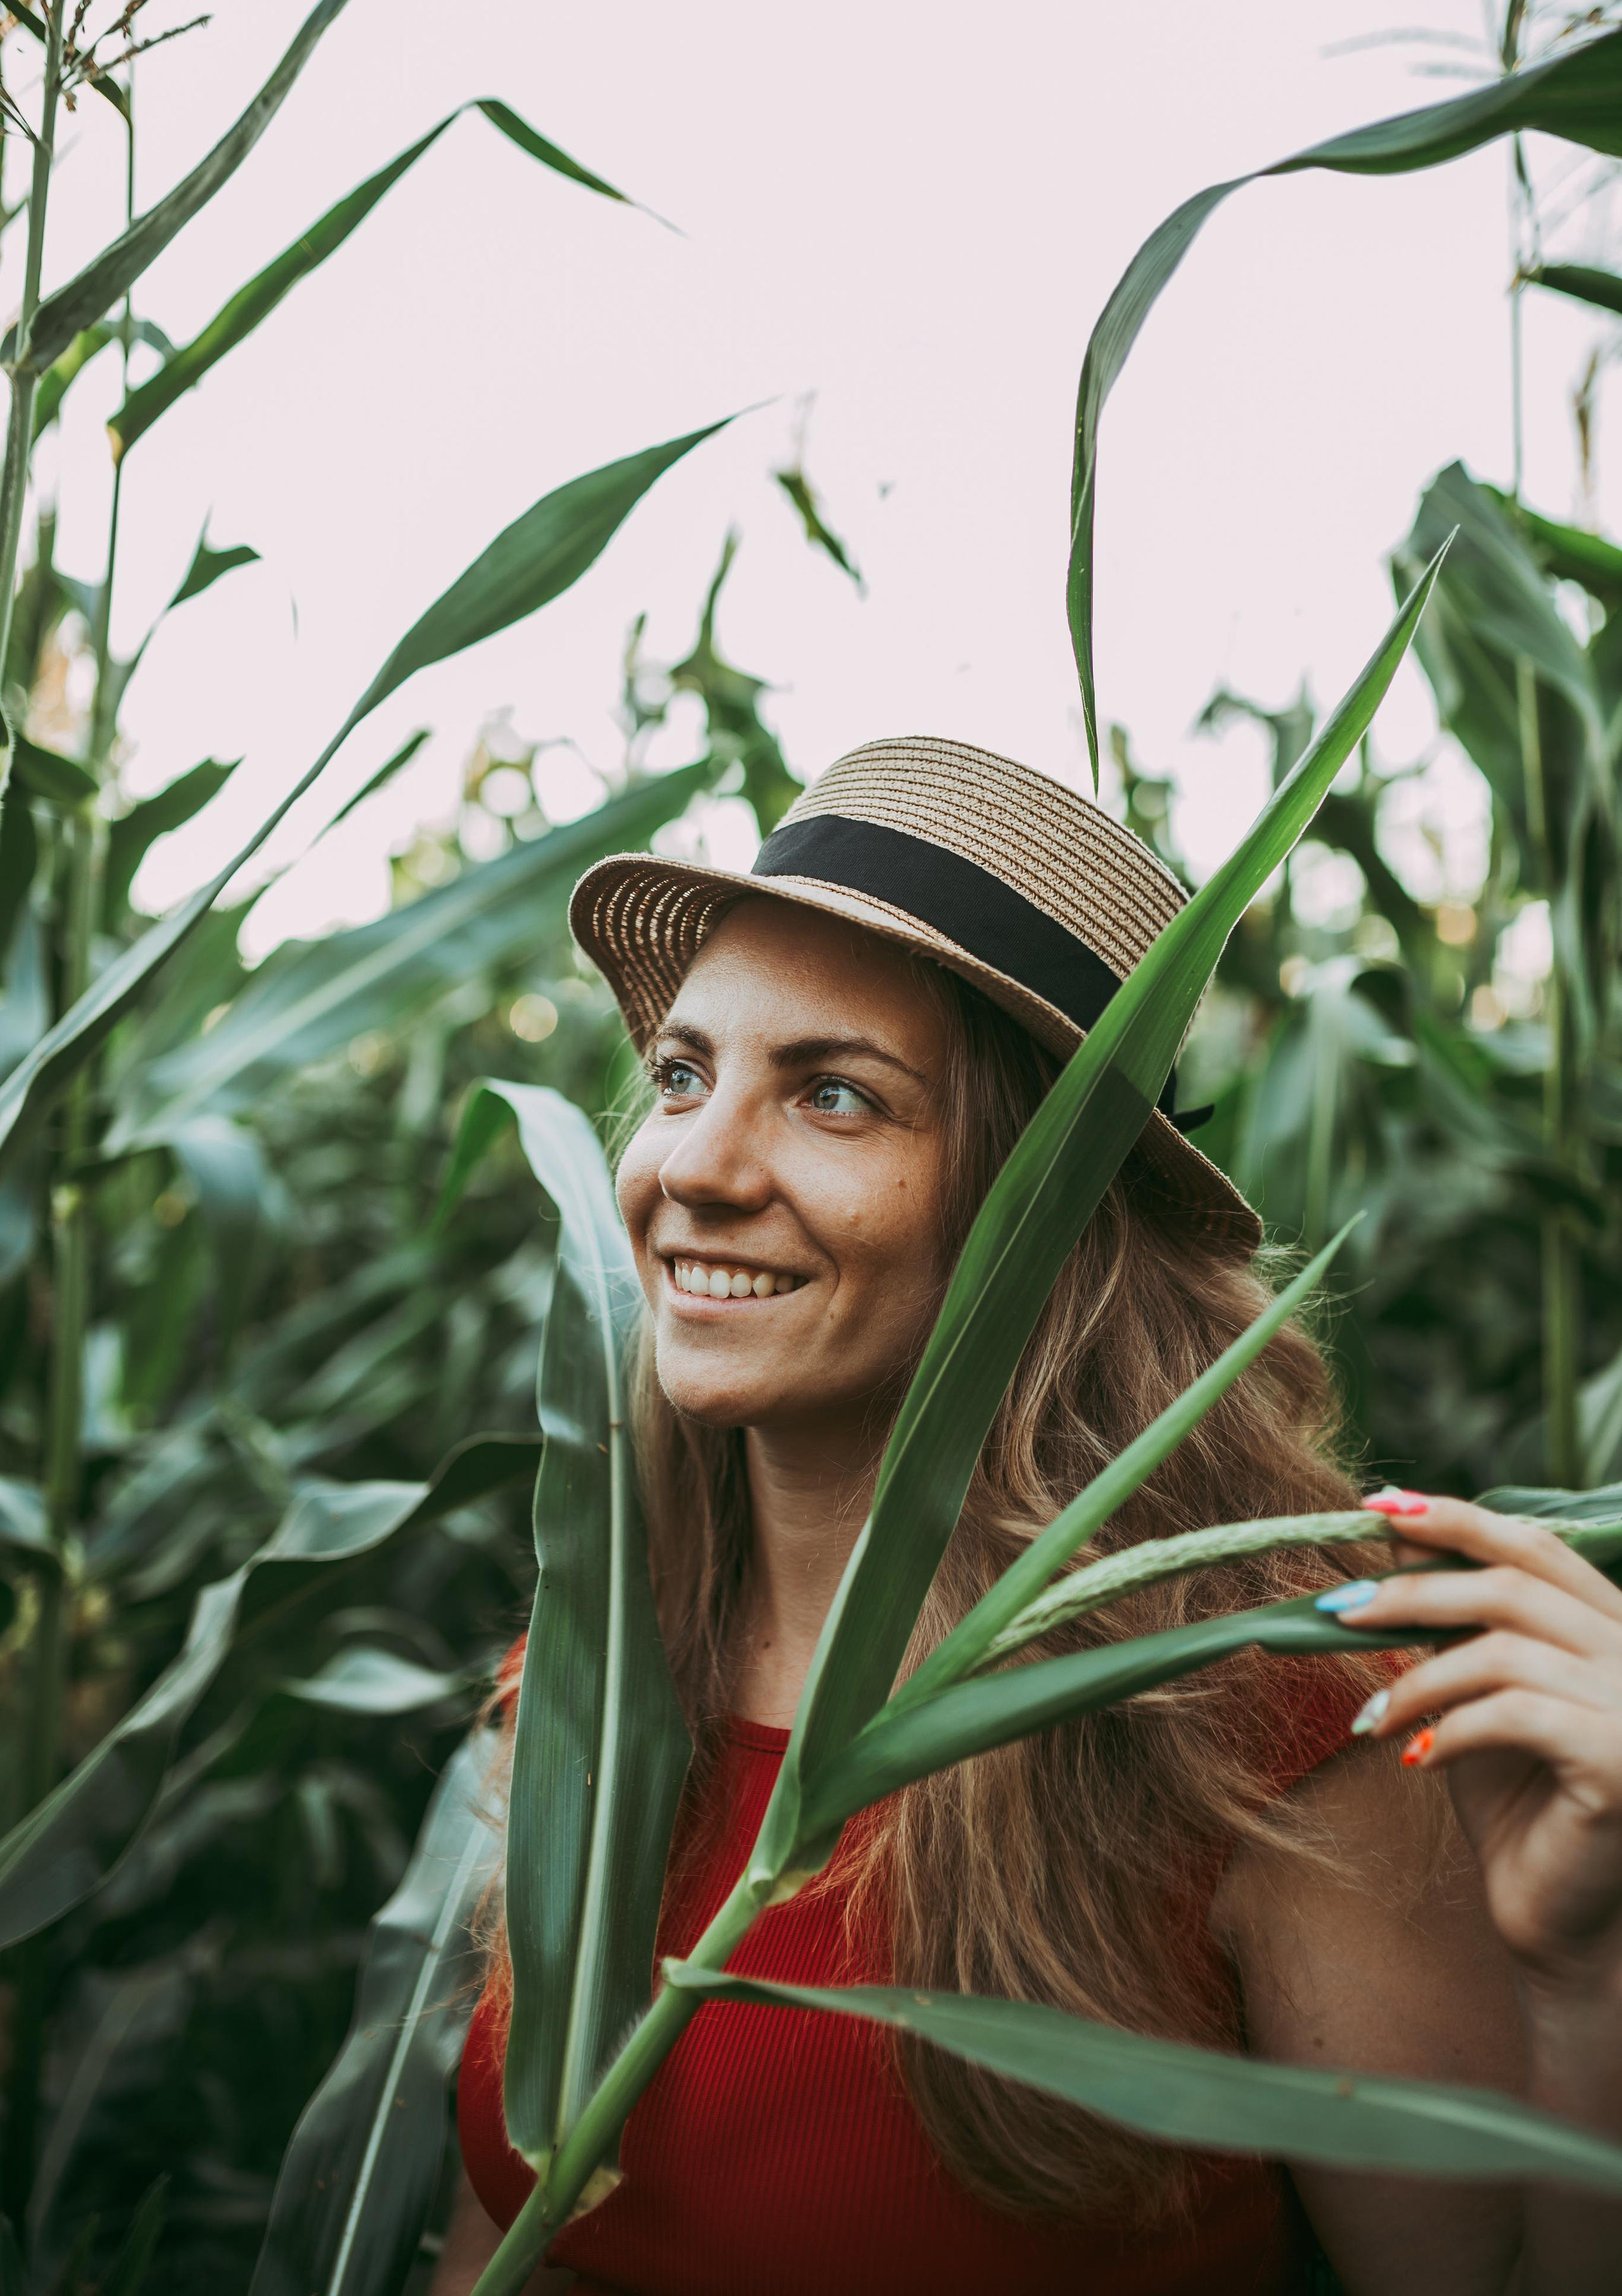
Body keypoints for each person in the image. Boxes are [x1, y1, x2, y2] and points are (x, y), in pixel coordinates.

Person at [430, 738, 1622, 2296]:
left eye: (834, 1097)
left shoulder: (1255, 1733)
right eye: (680, 1073)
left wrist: (1582, 1980)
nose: (695, 1168)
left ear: (1039, 1214)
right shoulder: (597, 1661)